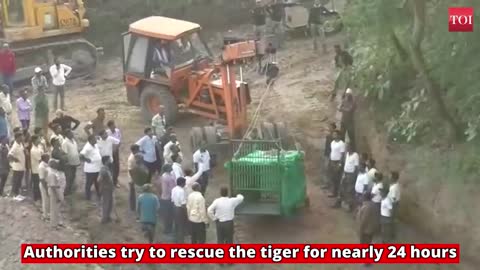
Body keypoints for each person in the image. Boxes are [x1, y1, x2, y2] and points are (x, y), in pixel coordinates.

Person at [334, 142, 358, 211]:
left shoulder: (355, 155)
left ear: (351, 147)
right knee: (342, 187)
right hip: (345, 173)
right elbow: (345, 163)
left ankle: (349, 205)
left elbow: (356, 167)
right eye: (347, 147)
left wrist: (354, 176)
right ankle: (339, 202)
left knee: (349, 190)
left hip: (351, 174)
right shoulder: (347, 154)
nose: (347, 148)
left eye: (348, 147)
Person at [80, 135, 102, 201]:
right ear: (90, 141)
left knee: (97, 182)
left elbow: (98, 138)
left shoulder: (95, 144)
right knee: (89, 183)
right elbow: (81, 155)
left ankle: (99, 193)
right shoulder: (87, 147)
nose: (96, 140)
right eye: (94, 139)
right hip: (91, 169)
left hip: (97, 168)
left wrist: (97, 137)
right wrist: (86, 160)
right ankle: (88, 197)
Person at [47, 159, 66, 229]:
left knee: (57, 208)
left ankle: (57, 222)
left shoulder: (53, 172)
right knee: (54, 209)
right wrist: (58, 196)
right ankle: (53, 225)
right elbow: (53, 186)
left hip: (55, 191)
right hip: (54, 192)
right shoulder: (52, 174)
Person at [157, 163, 175, 234]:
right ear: (167, 169)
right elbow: (171, 189)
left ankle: (166, 229)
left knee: (166, 215)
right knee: (169, 215)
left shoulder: (163, 176)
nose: (171, 167)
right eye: (170, 167)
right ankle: (168, 230)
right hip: (168, 198)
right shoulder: (169, 178)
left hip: (163, 197)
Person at [61, 129, 80, 196]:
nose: (72, 134)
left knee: (72, 177)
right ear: (67, 134)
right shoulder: (65, 142)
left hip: (74, 162)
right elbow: (64, 154)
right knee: (68, 178)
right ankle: (65, 193)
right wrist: (67, 162)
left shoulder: (73, 141)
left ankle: (70, 191)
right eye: (71, 133)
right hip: (69, 164)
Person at [328, 130, 345, 199]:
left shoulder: (341, 143)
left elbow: (342, 154)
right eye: (333, 134)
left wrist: (340, 164)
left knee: (337, 177)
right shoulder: (332, 142)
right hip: (332, 161)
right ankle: (333, 192)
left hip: (337, 162)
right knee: (333, 177)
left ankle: (338, 193)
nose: (333, 135)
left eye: (335, 134)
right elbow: (331, 152)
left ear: (338, 135)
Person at [8, 132, 25, 200]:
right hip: (17, 168)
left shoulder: (20, 144)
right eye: (21, 137)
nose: (22, 138)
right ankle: (14, 194)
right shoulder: (14, 146)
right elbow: (9, 155)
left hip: (21, 167)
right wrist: (15, 159)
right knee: (16, 181)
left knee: (19, 181)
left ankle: (18, 193)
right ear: (17, 138)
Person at [171, 177, 187, 243]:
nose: (185, 184)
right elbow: (183, 203)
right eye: (184, 183)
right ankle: (181, 241)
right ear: (182, 183)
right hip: (180, 209)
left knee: (176, 224)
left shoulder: (174, 189)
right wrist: (186, 212)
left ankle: (175, 240)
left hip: (174, 207)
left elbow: (172, 199)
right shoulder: (181, 191)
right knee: (181, 226)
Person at [99, 156, 114, 224]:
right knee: (106, 203)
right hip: (106, 189)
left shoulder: (108, 168)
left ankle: (108, 217)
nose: (110, 161)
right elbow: (99, 180)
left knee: (110, 203)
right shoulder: (103, 170)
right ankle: (104, 219)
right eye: (109, 160)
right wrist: (103, 186)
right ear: (106, 161)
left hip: (109, 188)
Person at [106, 120, 121, 187]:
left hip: (116, 151)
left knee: (117, 166)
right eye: (113, 125)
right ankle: (109, 181)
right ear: (109, 127)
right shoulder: (107, 133)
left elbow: (119, 140)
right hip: (109, 151)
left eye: (114, 125)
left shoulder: (117, 131)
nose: (114, 126)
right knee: (110, 166)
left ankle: (115, 181)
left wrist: (116, 148)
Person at [322, 122, 337, 189]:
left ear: (333, 128)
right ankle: (327, 184)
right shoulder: (328, 136)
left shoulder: (334, 137)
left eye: (330, 127)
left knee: (331, 170)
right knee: (327, 169)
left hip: (332, 155)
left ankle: (330, 184)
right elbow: (327, 146)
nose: (329, 128)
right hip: (328, 154)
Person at [30, 135, 44, 201]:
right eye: (38, 139)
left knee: (39, 183)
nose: (39, 140)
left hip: (40, 169)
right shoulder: (33, 150)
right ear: (35, 140)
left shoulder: (39, 147)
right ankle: (36, 198)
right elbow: (40, 159)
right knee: (36, 184)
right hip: (36, 170)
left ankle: (39, 196)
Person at [388, 171, 401, 239]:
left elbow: (393, 198)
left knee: (391, 218)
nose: (389, 177)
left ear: (393, 178)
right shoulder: (397, 184)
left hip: (393, 204)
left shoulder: (393, 188)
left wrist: (390, 208)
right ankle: (392, 233)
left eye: (390, 176)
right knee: (393, 218)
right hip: (396, 203)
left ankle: (391, 234)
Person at [38, 154, 50, 220]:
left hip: (48, 184)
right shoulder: (41, 167)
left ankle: (48, 214)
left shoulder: (46, 164)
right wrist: (46, 188)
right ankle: (45, 215)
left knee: (48, 200)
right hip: (44, 185)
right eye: (48, 157)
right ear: (44, 158)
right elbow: (42, 179)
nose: (49, 158)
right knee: (45, 200)